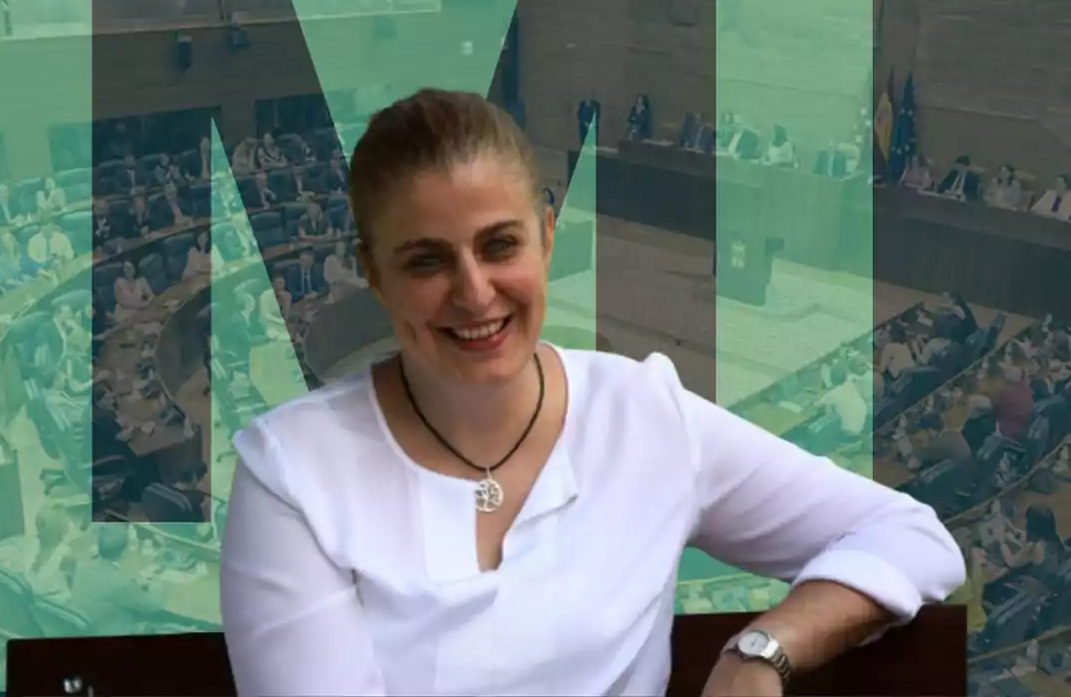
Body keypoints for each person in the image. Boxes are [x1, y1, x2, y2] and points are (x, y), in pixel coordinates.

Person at [218, 88, 964, 697]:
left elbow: (913, 538)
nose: (475, 294)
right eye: (426, 262)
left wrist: (762, 652)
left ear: (548, 236)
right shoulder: (292, 474)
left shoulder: (643, 415)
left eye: (500, 245)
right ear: (374, 274)